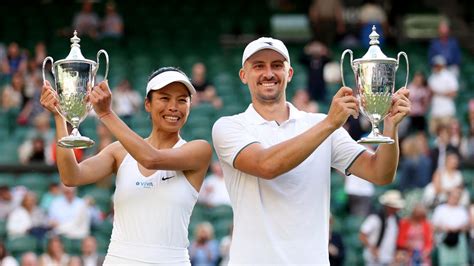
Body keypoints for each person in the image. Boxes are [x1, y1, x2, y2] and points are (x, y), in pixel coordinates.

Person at [211, 37, 411, 264]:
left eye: (277, 65)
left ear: (290, 73)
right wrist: (329, 124)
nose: (269, 73)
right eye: (258, 66)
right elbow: (266, 166)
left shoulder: (321, 124)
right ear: (243, 75)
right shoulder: (228, 126)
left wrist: (390, 127)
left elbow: (380, 173)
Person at [40, 66, 212, 265]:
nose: (174, 107)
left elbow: (151, 159)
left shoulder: (199, 150)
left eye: (182, 100)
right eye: (164, 98)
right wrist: (59, 117)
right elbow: (71, 176)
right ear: (147, 104)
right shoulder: (118, 152)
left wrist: (106, 114)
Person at [359, 190, 405, 265]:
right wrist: (372, 248)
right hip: (374, 259)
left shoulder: (396, 220)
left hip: (389, 259)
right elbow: (362, 235)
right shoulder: (375, 218)